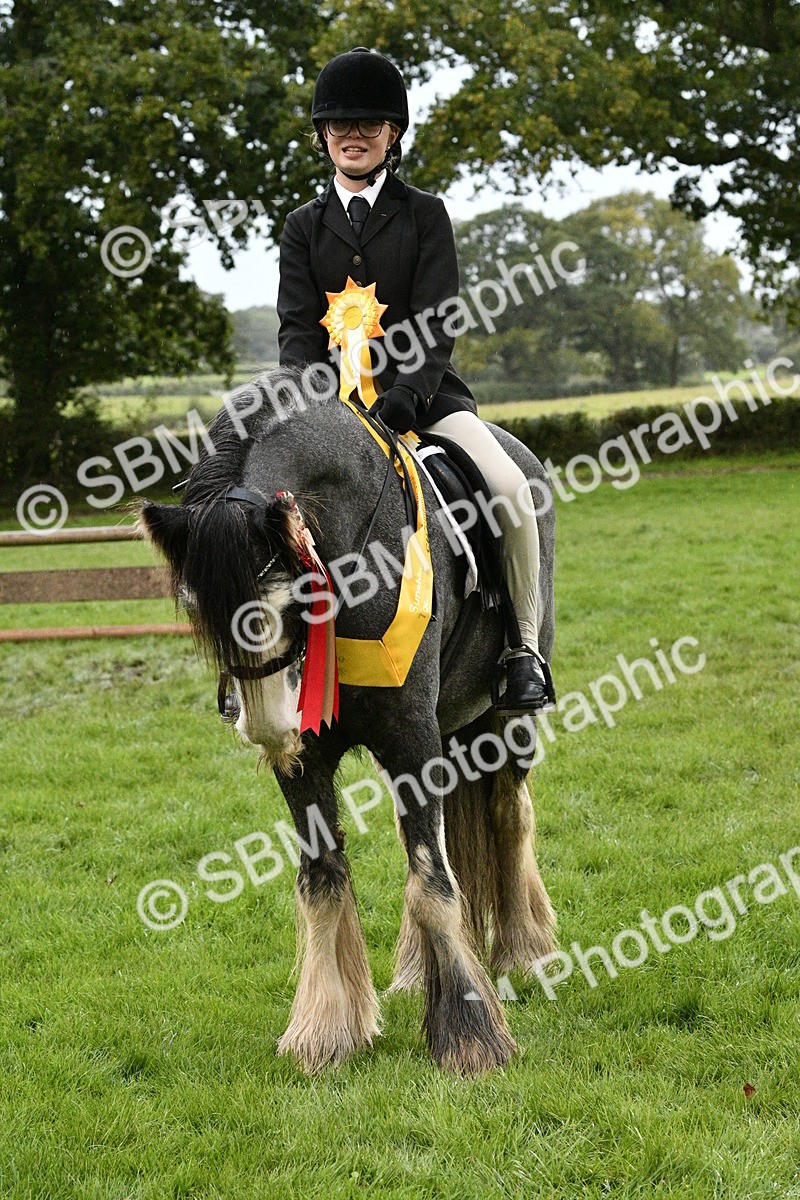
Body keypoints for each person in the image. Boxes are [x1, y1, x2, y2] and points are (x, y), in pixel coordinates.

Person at [277, 46, 554, 713]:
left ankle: (521, 651)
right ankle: (264, 669)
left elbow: (437, 318)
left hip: (424, 403)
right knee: (260, 513)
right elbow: (295, 332)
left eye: (369, 124)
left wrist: (408, 392)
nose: (353, 135)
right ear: (322, 134)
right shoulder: (302, 228)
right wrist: (314, 411)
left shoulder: (424, 214)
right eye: (339, 124)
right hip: (331, 415)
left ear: (392, 134)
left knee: (513, 490)